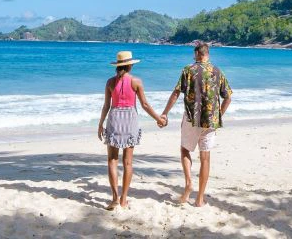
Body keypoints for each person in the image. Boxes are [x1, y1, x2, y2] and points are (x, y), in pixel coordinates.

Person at [160, 41, 232, 207]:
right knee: (205, 158)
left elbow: (176, 93)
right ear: (208, 54)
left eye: (194, 55)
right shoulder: (217, 71)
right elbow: (228, 97)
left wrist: (165, 113)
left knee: (185, 149)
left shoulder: (189, 70)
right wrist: (218, 114)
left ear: (198, 54)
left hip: (192, 118)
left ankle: (188, 183)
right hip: (210, 122)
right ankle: (199, 199)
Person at [97, 50, 165, 210]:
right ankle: (124, 199)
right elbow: (145, 105)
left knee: (112, 160)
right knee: (128, 162)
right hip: (130, 120)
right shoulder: (136, 82)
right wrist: (159, 119)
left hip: (114, 118)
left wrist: (100, 124)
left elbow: (106, 105)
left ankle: (114, 198)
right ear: (130, 66)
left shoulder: (109, 82)